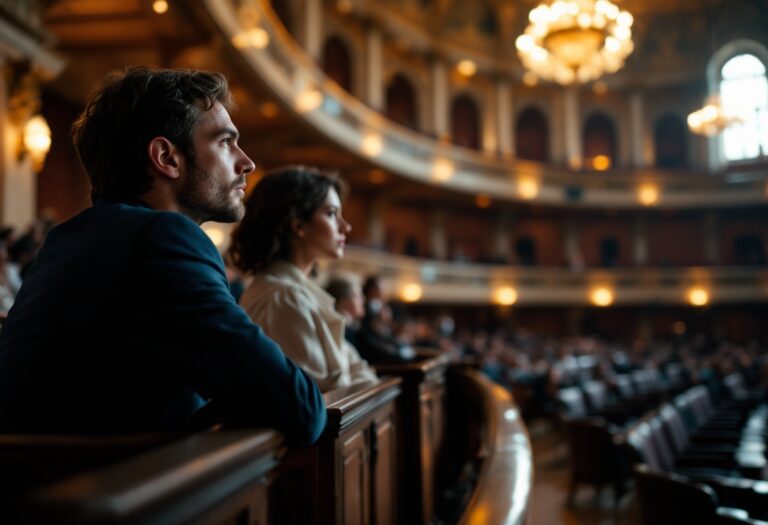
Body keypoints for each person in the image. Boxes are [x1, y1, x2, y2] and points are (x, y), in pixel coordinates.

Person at [0, 67, 326, 446]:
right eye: (225, 142)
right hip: (103, 495)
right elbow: (300, 408)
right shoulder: (161, 239)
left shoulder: (73, 238)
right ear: (166, 158)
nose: (246, 162)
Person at [229, 167, 378, 392]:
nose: (345, 227)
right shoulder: (283, 298)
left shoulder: (299, 291)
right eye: (331, 213)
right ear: (298, 225)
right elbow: (322, 396)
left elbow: (358, 371)